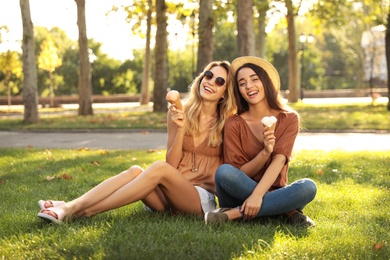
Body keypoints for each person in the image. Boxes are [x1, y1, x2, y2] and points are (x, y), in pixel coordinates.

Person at [37, 60, 237, 224]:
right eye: (208, 76)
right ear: (201, 79)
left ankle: (75, 210)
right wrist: (182, 128)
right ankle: (68, 206)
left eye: (220, 81)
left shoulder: (229, 122)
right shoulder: (179, 112)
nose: (211, 82)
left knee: (158, 168)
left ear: (224, 93)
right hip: (166, 195)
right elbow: (172, 165)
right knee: (135, 171)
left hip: (197, 199)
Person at [204, 56, 317, 226]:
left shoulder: (289, 119)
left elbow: (279, 161)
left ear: (265, 82)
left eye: (254, 79)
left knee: (308, 187)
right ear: (239, 90)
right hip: (237, 191)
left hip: (273, 189)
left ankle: (232, 214)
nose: (249, 86)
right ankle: (286, 210)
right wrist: (265, 153)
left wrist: (258, 197)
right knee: (224, 172)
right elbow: (239, 174)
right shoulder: (234, 123)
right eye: (242, 83)